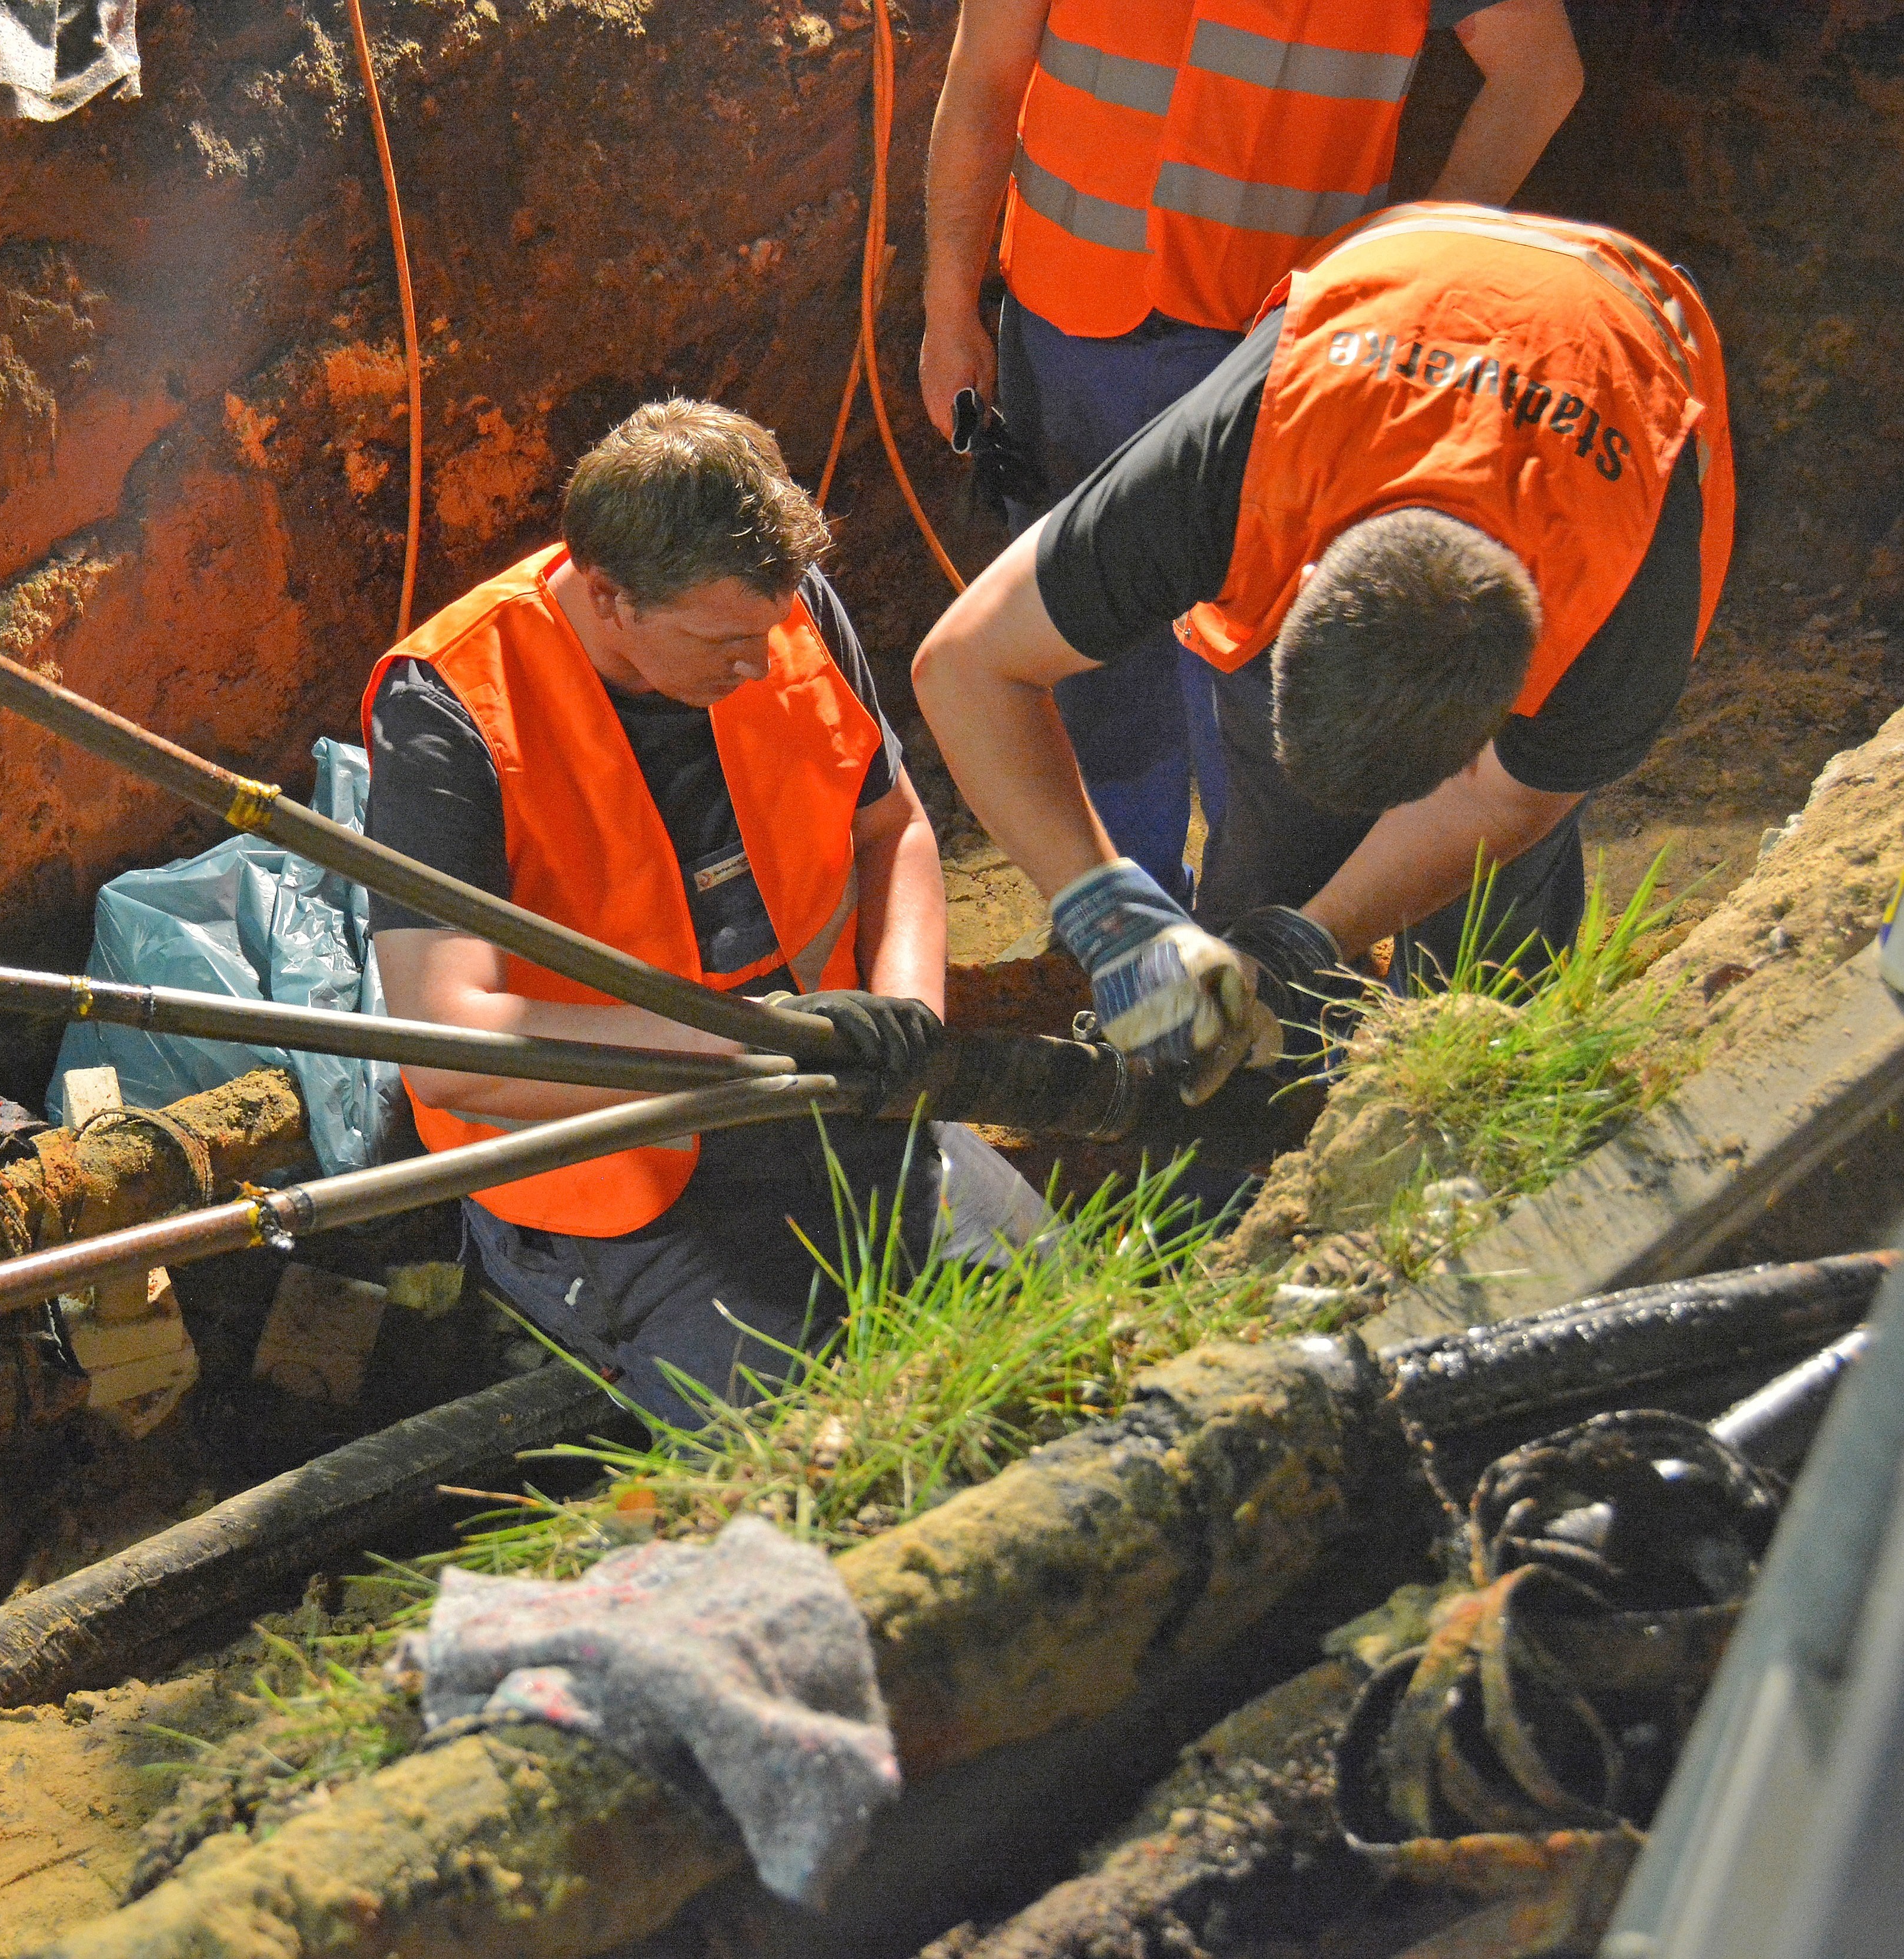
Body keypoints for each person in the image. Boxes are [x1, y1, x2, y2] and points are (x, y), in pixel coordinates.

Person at [913, 204, 1732, 1102]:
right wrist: (1113, 921)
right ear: (1296, 595)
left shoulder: (1619, 607)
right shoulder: (1237, 460)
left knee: (1490, 945)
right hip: (1380, 317)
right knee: (1270, 860)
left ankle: (1467, 1136)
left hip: (1617, 360)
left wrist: (1308, 940)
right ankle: (1233, 1177)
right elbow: (964, 666)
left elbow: (1508, 796)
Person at [363, 400, 1046, 1422]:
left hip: (831, 1084)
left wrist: (910, 1020)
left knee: (1064, 1327)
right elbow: (451, 1049)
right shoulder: (451, 707)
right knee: (831, 1444)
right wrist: (744, 1044)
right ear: (608, 596)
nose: (763, 664)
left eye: (771, 628)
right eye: (725, 641)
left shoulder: (772, 602)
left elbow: (889, 825)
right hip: (621, 1161)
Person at [916, 0, 1585, 905]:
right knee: (1083, 653)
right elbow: (985, 81)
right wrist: (948, 310)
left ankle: (1264, 957)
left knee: (1252, 683)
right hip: (1065, 324)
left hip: (1274, 355)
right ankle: (1128, 931)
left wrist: (1404, 263)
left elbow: (1538, 72)